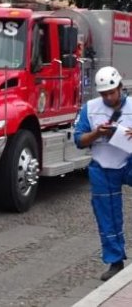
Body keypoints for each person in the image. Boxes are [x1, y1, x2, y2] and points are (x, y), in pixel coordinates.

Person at [74, 66, 132, 281]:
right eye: (104, 94)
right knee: (107, 215)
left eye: (112, 92)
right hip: (103, 166)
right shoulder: (89, 108)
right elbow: (79, 140)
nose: (108, 97)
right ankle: (115, 261)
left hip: (128, 161)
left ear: (120, 87)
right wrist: (97, 133)